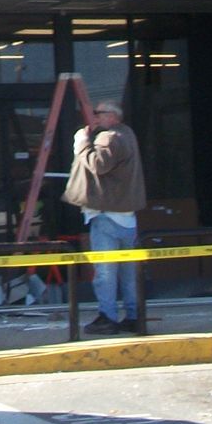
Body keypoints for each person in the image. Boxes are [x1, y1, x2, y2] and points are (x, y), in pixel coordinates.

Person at [63, 99, 146, 335]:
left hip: (106, 215)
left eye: (98, 113)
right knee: (129, 273)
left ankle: (107, 317)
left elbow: (98, 165)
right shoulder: (128, 134)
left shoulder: (109, 137)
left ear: (112, 116)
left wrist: (81, 144)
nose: (94, 116)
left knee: (105, 273)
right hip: (127, 217)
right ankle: (133, 316)